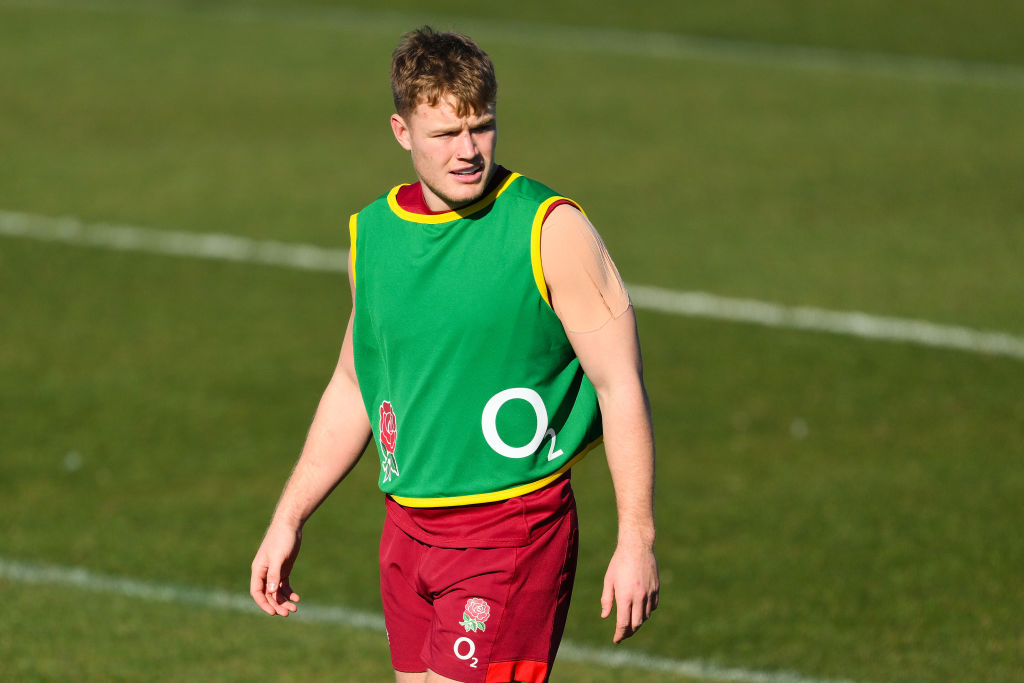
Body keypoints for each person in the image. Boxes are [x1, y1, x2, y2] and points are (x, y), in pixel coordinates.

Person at [250, 26, 658, 683]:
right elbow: (356, 384)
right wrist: (289, 515)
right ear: (401, 130)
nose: (468, 151)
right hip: (408, 533)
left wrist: (636, 539)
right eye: (445, 135)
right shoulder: (373, 236)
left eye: (483, 128)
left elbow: (619, 384)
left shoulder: (549, 230)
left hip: (511, 532)